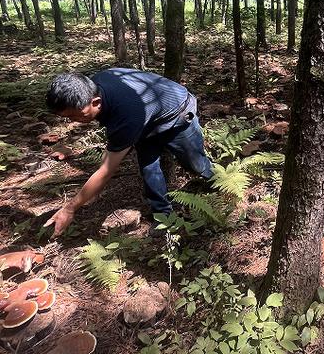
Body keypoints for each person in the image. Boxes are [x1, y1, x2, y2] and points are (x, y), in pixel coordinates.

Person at [44, 69, 212, 236]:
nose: (74, 121)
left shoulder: (125, 115)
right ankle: (163, 216)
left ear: (96, 102)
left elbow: (106, 170)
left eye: (77, 115)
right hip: (146, 118)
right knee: (148, 167)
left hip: (178, 111)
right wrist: (92, 190)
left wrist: (70, 209)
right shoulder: (93, 87)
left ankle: (216, 182)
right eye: (68, 117)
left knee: (195, 164)